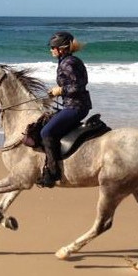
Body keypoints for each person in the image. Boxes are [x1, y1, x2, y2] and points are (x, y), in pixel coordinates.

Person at [37, 30, 92, 187]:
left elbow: (78, 86)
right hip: (73, 104)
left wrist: (61, 90)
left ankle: (53, 173)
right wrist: (55, 92)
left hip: (76, 107)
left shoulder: (69, 63)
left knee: (46, 132)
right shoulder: (67, 61)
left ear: (61, 48)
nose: (51, 50)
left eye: (53, 47)